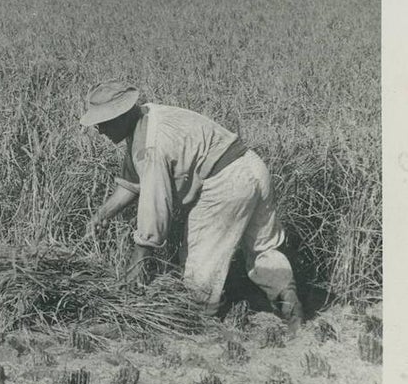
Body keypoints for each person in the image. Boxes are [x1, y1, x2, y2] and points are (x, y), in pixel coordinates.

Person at [81, 81, 303, 329]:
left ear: (122, 114)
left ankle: (202, 332)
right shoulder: (149, 115)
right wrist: (102, 214)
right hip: (251, 167)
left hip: (225, 183)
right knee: (263, 248)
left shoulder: (152, 145)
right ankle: (293, 315)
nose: (100, 130)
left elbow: (155, 206)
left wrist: (139, 259)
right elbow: (133, 182)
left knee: (199, 273)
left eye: (104, 122)